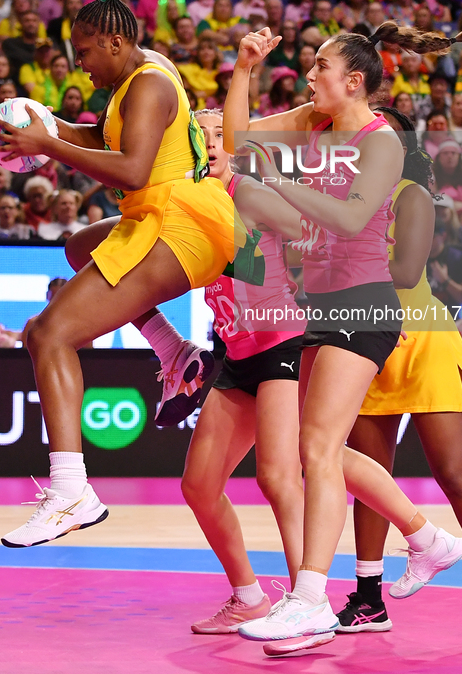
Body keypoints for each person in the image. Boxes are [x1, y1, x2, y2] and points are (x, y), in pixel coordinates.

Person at [0, 0, 280, 549]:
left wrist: (52, 144)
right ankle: (174, 350)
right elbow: (98, 135)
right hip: (160, 216)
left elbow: (129, 167)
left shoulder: (148, 83)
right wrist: (40, 133)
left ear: (116, 41)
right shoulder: (129, 88)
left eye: (86, 51)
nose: (80, 65)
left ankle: (71, 492)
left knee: (50, 335)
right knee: (76, 246)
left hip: (179, 219)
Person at [222, 19, 462, 653]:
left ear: (355, 81)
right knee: (302, 444)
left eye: (320, 67)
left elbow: (348, 216)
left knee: (315, 448)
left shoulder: (381, 141)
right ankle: (426, 538)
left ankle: (311, 599)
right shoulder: (314, 125)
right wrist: (243, 68)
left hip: (366, 306)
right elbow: (237, 140)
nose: (310, 76)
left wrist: (271, 183)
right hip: (316, 306)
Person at [337, 107, 462, 644]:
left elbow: (406, 272)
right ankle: (369, 598)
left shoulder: (410, 192)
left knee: (453, 471)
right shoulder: (342, 195)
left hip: (421, 340)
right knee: (371, 479)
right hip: (365, 339)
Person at [181, 108, 307, 632]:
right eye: (199, 135)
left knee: (278, 476)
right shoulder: (188, 207)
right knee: (198, 485)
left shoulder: (250, 194)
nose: (209, 143)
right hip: (238, 356)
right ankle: (250, 596)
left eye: (218, 135)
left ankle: (307, 600)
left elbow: (308, 231)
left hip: (283, 342)